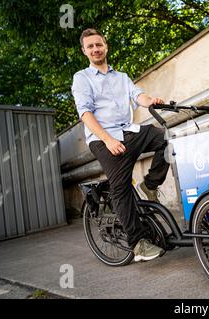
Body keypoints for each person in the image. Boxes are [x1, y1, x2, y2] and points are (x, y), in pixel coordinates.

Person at [71, 28, 169, 262]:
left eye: (99, 44)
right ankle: (139, 245)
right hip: (103, 138)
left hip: (129, 131)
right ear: (84, 51)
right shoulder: (82, 78)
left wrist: (151, 101)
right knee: (120, 187)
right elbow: (85, 113)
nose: (96, 49)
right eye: (90, 46)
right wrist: (107, 139)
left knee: (168, 138)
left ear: (106, 46)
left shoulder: (121, 77)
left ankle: (151, 184)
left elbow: (138, 96)